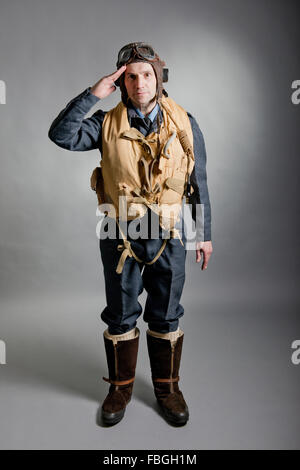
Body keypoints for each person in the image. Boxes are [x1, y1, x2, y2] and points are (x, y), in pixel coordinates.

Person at [48, 42, 213, 427]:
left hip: (169, 234)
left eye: (147, 75)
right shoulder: (105, 124)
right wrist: (93, 95)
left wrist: (203, 233)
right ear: (121, 82)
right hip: (118, 232)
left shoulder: (186, 122)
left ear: (160, 77)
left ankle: (167, 389)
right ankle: (120, 387)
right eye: (131, 77)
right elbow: (60, 134)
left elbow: (198, 181)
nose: (140, 83)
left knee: (167, 314)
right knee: (120, 315)